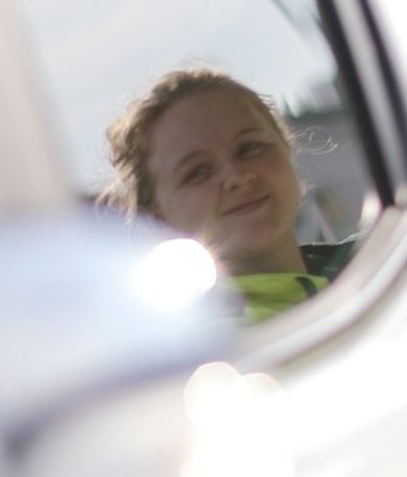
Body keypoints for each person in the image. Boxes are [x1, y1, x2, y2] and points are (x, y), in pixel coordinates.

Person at [102, 67, 351, 321]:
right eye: (198, 172)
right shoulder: (209, 340)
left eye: (249, 148)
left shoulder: (367, 258)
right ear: (157, 217)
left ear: (286, 147)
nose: (237, 178)